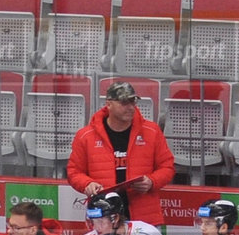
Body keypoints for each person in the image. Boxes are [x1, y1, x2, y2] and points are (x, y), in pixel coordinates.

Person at [67, 82, 176, 225]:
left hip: (143, 215)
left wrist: (152, 181)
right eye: (124, 102)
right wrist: (87, 183)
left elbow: (167, 168)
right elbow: (74, 172)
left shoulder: (152, 131)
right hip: (104, 214)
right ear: (109, 104)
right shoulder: (85, 135)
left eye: (133, 101)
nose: (131, 107)